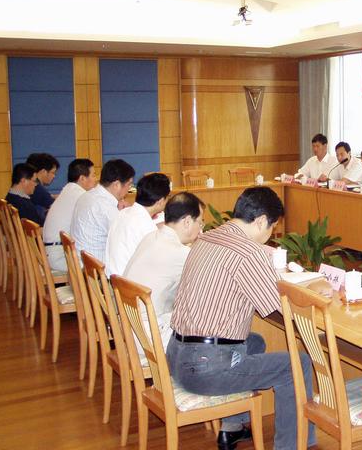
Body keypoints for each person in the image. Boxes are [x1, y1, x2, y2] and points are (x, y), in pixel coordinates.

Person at [167, 186, 315, 450]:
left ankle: (232, 427)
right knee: (296, 364)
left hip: (176, 355)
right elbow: (282, 307)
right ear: (261, 221)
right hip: (204, 368)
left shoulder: (207, 238)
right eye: (272, 228)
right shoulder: (249, 252)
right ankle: (291, 446)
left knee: (254, 341)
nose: (270, 236)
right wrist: (314, 292)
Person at [124, 192, 204, 357]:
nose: (201, 228)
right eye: (200, 222)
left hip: (128, 330)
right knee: (209, 332)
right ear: (187, 222)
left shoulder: (150, 237)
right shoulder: (180, 254)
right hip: (150, 339)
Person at [104, 172, 170, 276]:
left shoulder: (124, 213)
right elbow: (159, 262)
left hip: (113, 277)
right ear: (161, 201)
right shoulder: (146, 226)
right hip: (127, 283)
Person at [70, 159, 135, 262]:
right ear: (116, 184)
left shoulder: (88, 195)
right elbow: (127, 237)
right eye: (129, 184)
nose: (129, 189)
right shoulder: (104, 205)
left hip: (82, 263)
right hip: (97, 268)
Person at [43, 159, 97, 272]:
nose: (96, 179)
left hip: (53, 250)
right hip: (61, 255)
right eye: (93, 175)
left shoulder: (69, 190)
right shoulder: (81, 196)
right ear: (82, 178)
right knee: (98, 264)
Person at [26, 152, 60, 217]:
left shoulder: (33, 187)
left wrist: (52, 196)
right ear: (43, 172)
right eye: (53, 172)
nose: (54, 176)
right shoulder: (37, 189)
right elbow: (56, 207)